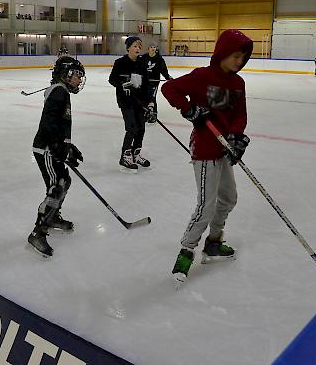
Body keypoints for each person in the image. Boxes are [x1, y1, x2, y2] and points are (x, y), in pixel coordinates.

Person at [161, 29, 253, 284]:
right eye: (235, 56)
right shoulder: (202, 77)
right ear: (222, 53)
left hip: (225, 149)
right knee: (206, 205)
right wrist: (190, 109)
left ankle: (213, 242)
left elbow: (240, 115)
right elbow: (170, 89)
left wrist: (235, 136)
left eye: (243, 57)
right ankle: (186, 251)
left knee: (229, 198)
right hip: (204, 150)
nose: (239, 62)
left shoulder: (238, 83)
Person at [28, 56, 85, 257]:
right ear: (66, 74)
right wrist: (56, 145)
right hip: (45, 149)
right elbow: (48, 122)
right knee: (57, 185)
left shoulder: (61, 92)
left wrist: (68, 146)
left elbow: (59, 124)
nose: (79, 79)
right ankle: (38, 231)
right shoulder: (59, 92)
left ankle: (52, 217)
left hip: (52, 146)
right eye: (77, 75)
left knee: (64, 181)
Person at [108, 35, 151, 173]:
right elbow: (112, 79)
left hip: (139, 102)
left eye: (139, 46)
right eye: (135, 46)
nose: (138, 48)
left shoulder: (142, 63)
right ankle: (125, 156)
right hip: (126, 102)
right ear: (128, 48)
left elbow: (146, 85)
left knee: (141, 128)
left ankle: (136, 153)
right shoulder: (120, 63)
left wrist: (149, 102)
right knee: (132, 127)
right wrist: (123, 85)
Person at [141, 42, 173, 123]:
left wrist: (168, 77)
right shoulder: (144, 57)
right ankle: (146, 113)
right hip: (144, 81)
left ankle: (153, 115)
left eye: (154, 47)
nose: (153, 48)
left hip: (154, 81)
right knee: (144, 97)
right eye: (151, 47)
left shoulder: (159, 58)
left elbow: (163, 70)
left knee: (152, 97)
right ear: (148, 48)